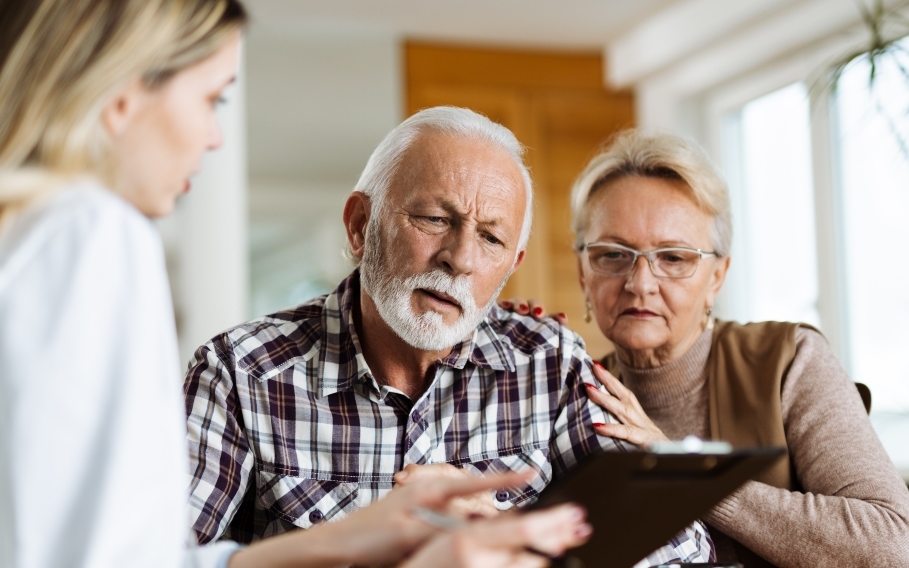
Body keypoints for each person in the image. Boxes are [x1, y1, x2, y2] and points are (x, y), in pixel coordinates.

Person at [0, 0, 590, 567]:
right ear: (123, 95)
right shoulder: (84, 234)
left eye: (493, 238)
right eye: (211, 98)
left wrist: (345, 540)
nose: (215, 137)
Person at [183, 106, 714, 566]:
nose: (459, 259)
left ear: (512, 265)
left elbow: (683, 556)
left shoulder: (550, 363)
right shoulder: (239, 372)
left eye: (490, 238)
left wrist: (525, 542)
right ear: (359, 225)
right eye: (435, 219)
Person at [514, 129, 909, 568]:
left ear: (717, 277)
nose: (640, 283)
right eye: (613, 255)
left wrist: (683, 473)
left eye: (673, 258)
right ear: (582, 271)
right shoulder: (569, 395)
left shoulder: (789, 359)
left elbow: (892, 547)